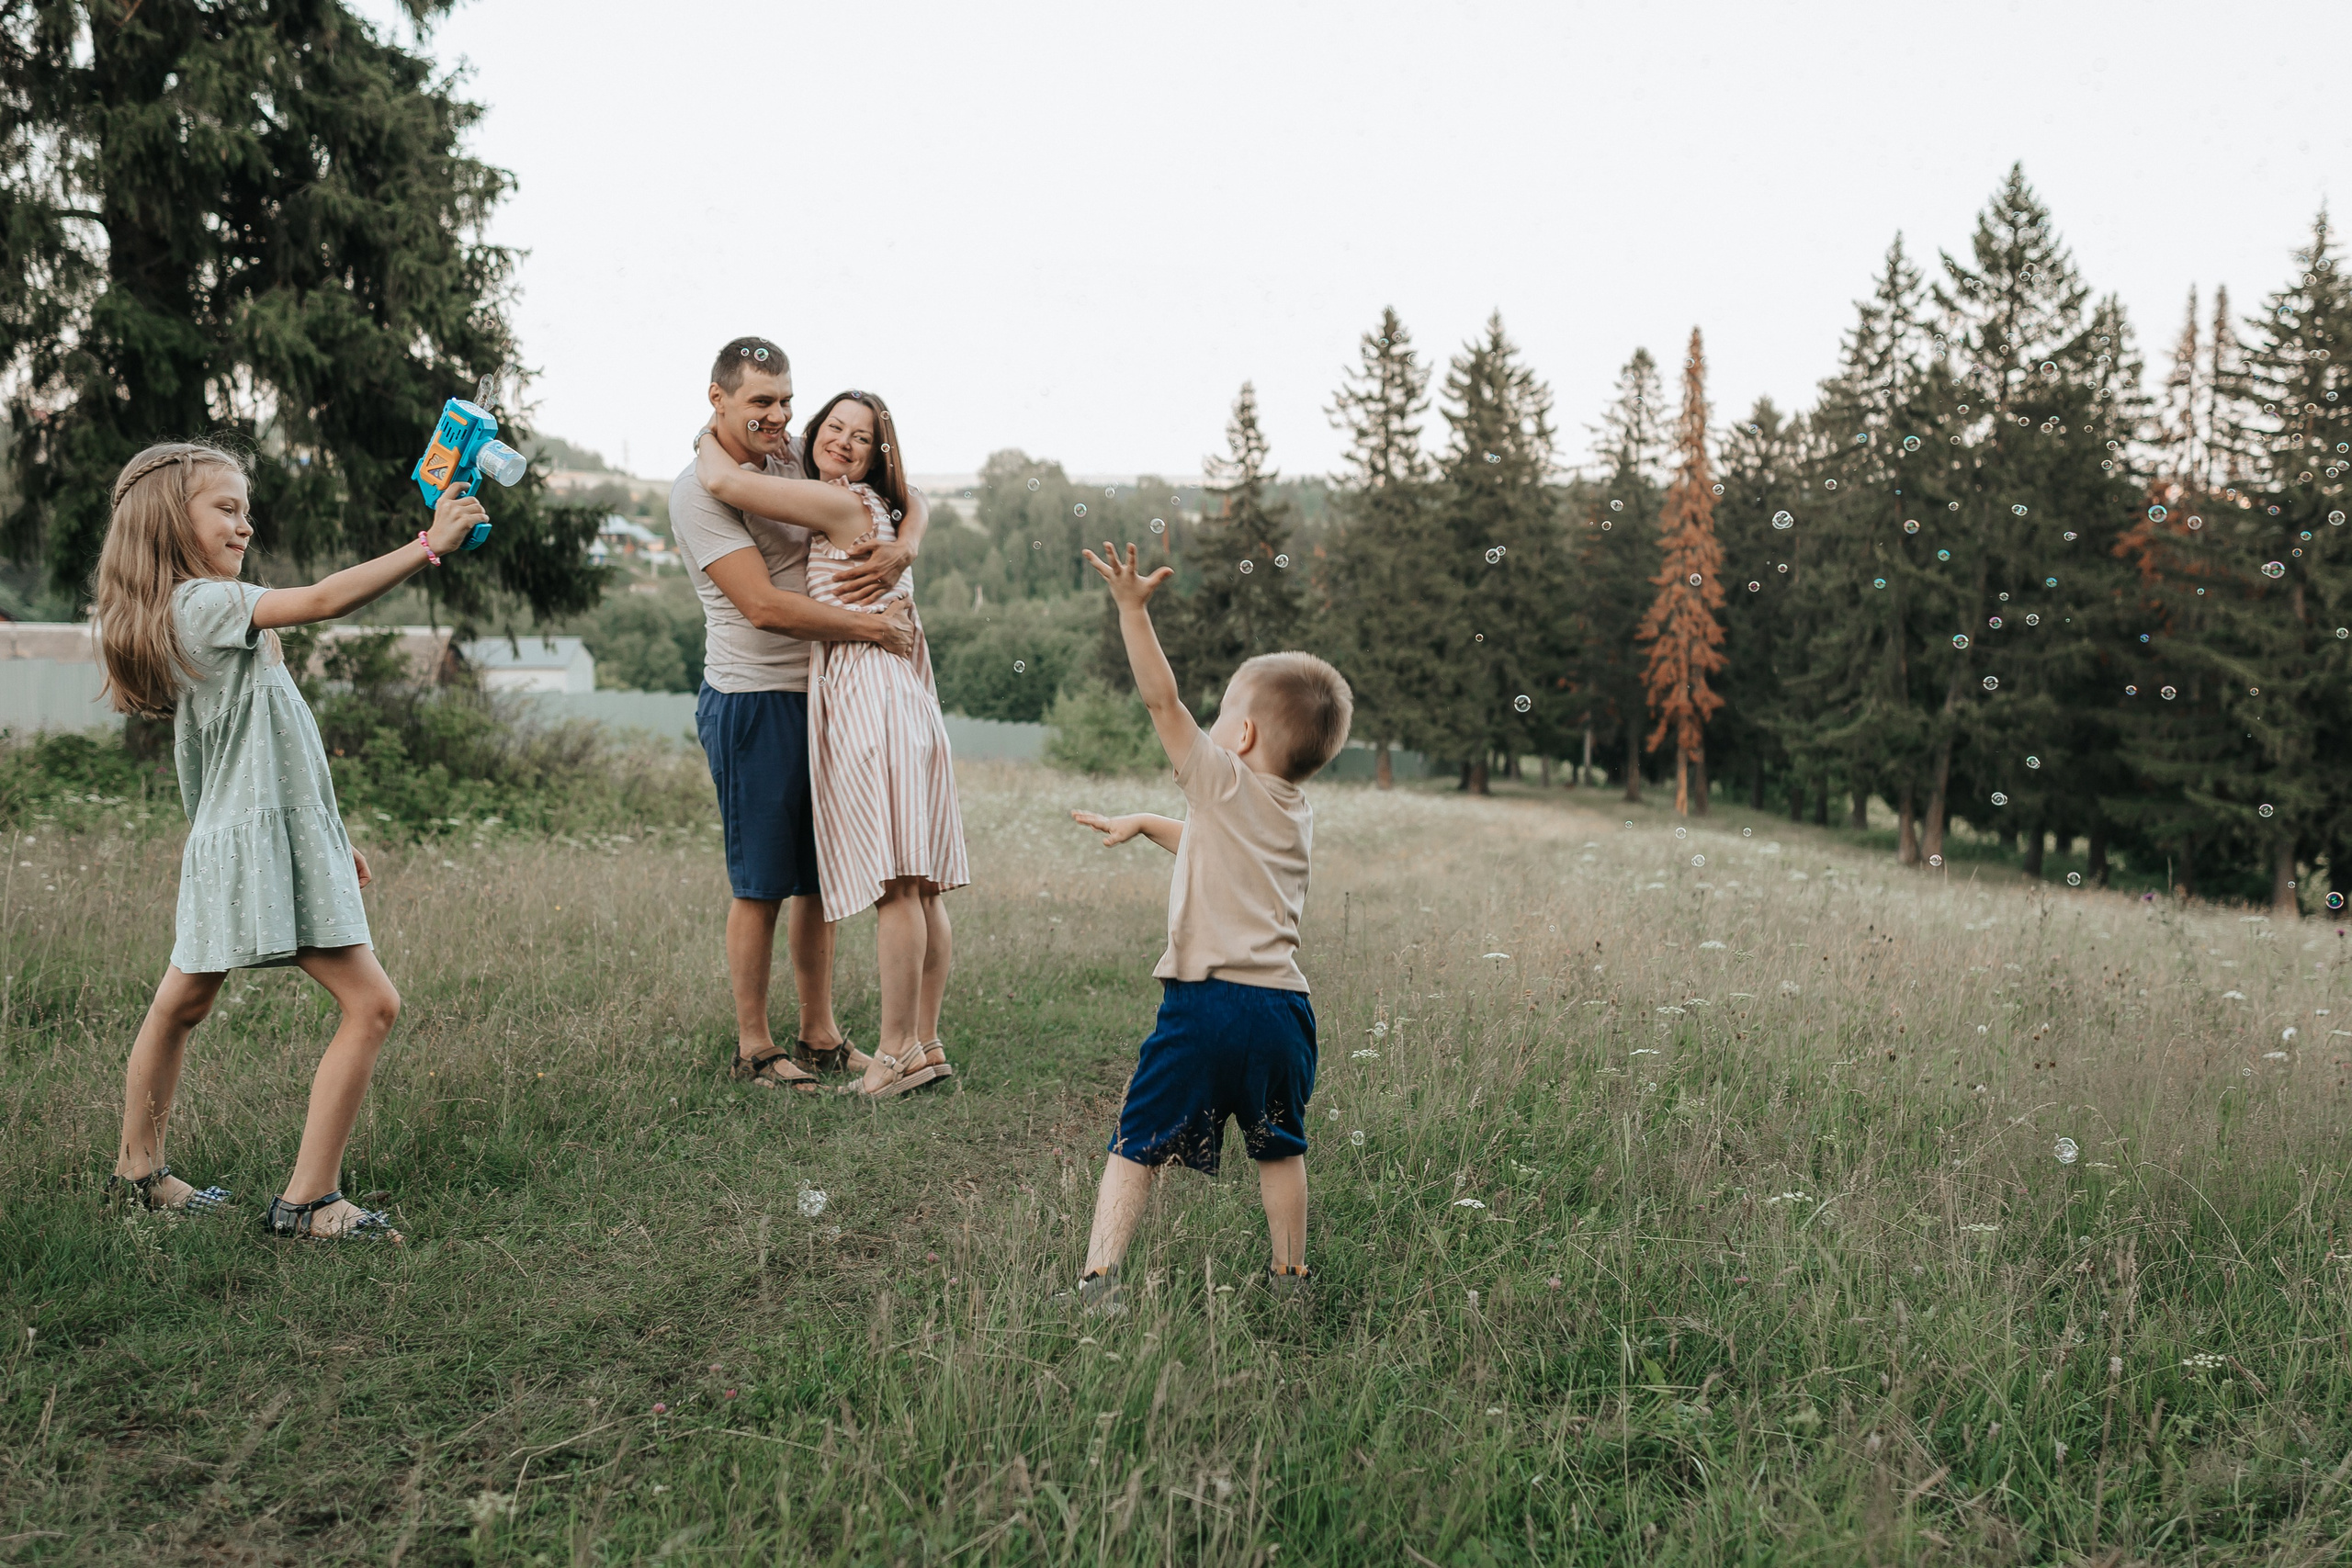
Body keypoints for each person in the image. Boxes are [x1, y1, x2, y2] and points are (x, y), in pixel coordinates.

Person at [94, 439, 492, 1241]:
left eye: (247, 509)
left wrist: (330, 835)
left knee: (181, 1004)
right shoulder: (203, 604)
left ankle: (139, 1173)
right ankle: (310, 1201)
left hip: (240, 838)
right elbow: (323, 599)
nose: (246, 524)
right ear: (169, 519)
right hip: (250, 844)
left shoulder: (199, 609)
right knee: (372, 1004)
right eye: (226, 508)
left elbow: (272, 747)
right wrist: (427, 546)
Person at [1062, 542, 1353, 1311]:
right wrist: (1146, 820)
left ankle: (1099, 1281)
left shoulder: (1221, 780)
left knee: (1136, 1143)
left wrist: (1133, 611)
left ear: (1244, 737)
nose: (1209, 724)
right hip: (1282, 1013)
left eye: (1222, 713)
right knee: (1279, 1147)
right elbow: (1215, 845)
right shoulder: (1295, 813)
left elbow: (1162, 702)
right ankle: (1290, 1278)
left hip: (1205, 1006)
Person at [695, 389, 969, 1100]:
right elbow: (915, 499)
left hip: (872, 694)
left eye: (862, 437)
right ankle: (926, 1044)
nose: (844, 441)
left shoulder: (841, 502)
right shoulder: (871, 505)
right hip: (899, 693)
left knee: (897, 882)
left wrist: (713, 423)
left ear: (877, 456)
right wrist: (909, 538)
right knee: (920, 884)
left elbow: (722, 480)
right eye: (836, 427)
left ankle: (895, 1054)